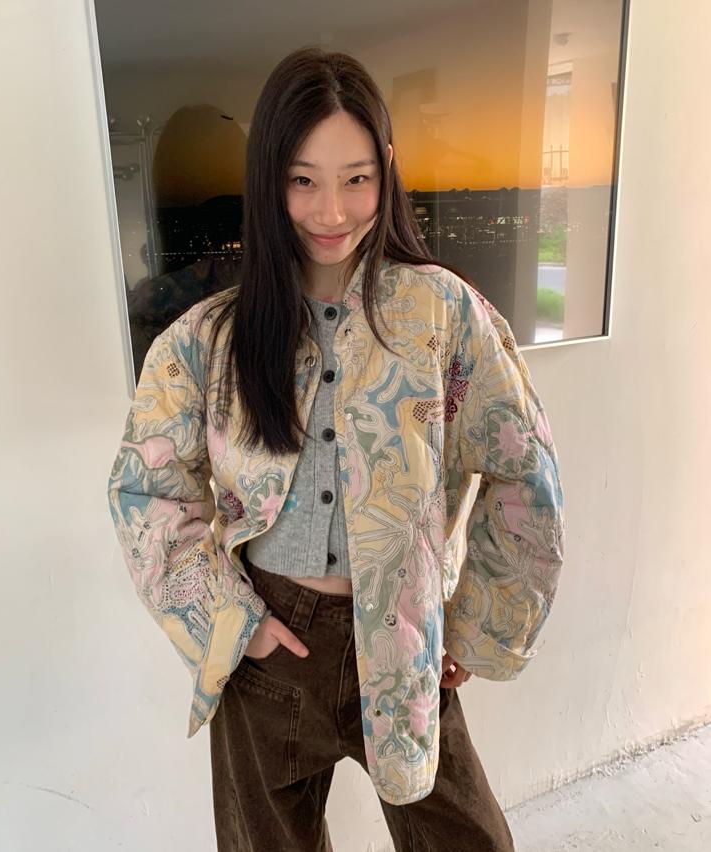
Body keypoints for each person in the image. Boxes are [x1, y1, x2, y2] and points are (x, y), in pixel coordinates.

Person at [107, 45, 565, 852]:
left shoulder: (443, 314)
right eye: (303, 180)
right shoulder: (208, 337)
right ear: (268, 180)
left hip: (405, 635)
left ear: (386, 168)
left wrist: (471, 625)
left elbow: (524, 469)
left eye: (356, 178)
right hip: (270, 643)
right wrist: (231, 621)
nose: (332, 210)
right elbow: (146, 487)